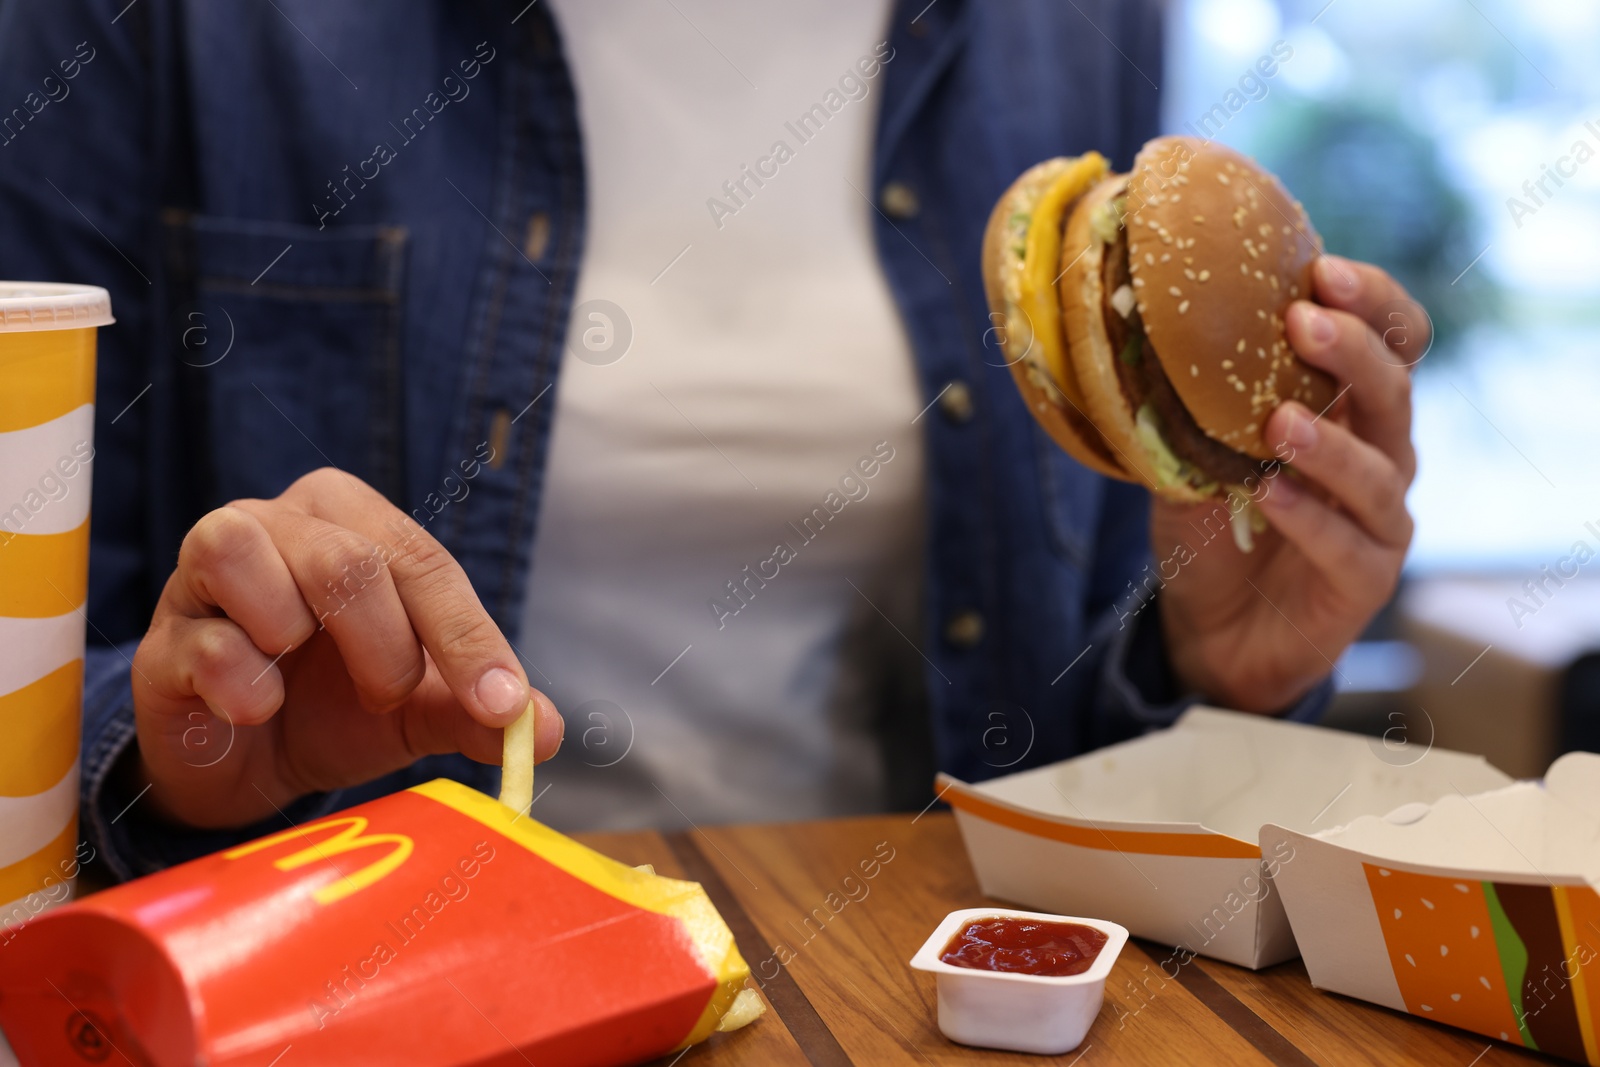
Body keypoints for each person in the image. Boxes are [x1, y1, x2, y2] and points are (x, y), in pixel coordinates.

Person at [0, 0, 1419, 882]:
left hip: (898, 995)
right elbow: (42, 676)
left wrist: (1203, 677)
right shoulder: (153, 30)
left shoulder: (1068, 27)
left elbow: (1069, 777)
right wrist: (172, 738)